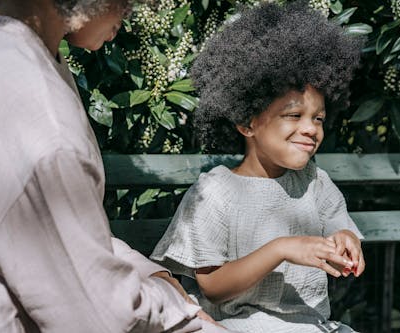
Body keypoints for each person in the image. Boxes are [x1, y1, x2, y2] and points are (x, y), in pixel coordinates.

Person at [0, 0, 234, 332]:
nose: (129, 14)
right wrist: (179, 309)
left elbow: (59, 236)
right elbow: (103, 317)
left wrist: (150, 273)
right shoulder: (41, 119)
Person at [150, 1, 365, 332]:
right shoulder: (215, 192)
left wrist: (346, 239)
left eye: (318, 118)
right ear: (247, 123)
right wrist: (281, 249)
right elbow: (214, 288)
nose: (311, 129)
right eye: (294, 116)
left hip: (311, 326)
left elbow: (340, 227)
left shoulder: (315, 184)